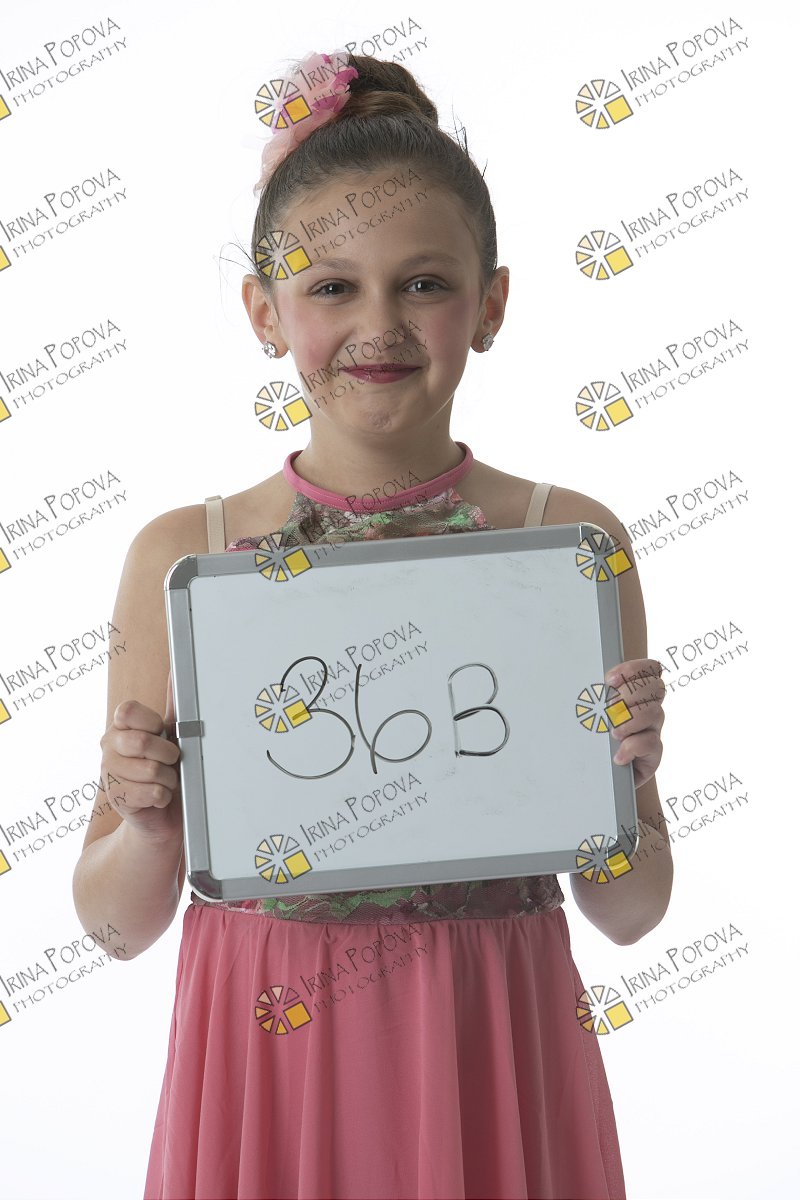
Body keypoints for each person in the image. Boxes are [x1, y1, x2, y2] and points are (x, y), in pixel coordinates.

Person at [72, 48, 673, 1200]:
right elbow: (114, 925)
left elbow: (633, 909)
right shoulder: (186, 557)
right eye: (332, 287)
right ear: (264, 311)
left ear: (490, 303)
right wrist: (147, 823)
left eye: (424, 283)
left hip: (489, 1033)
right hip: (270, 1041)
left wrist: (621, 783)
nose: (379, 324)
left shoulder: (566, 544)